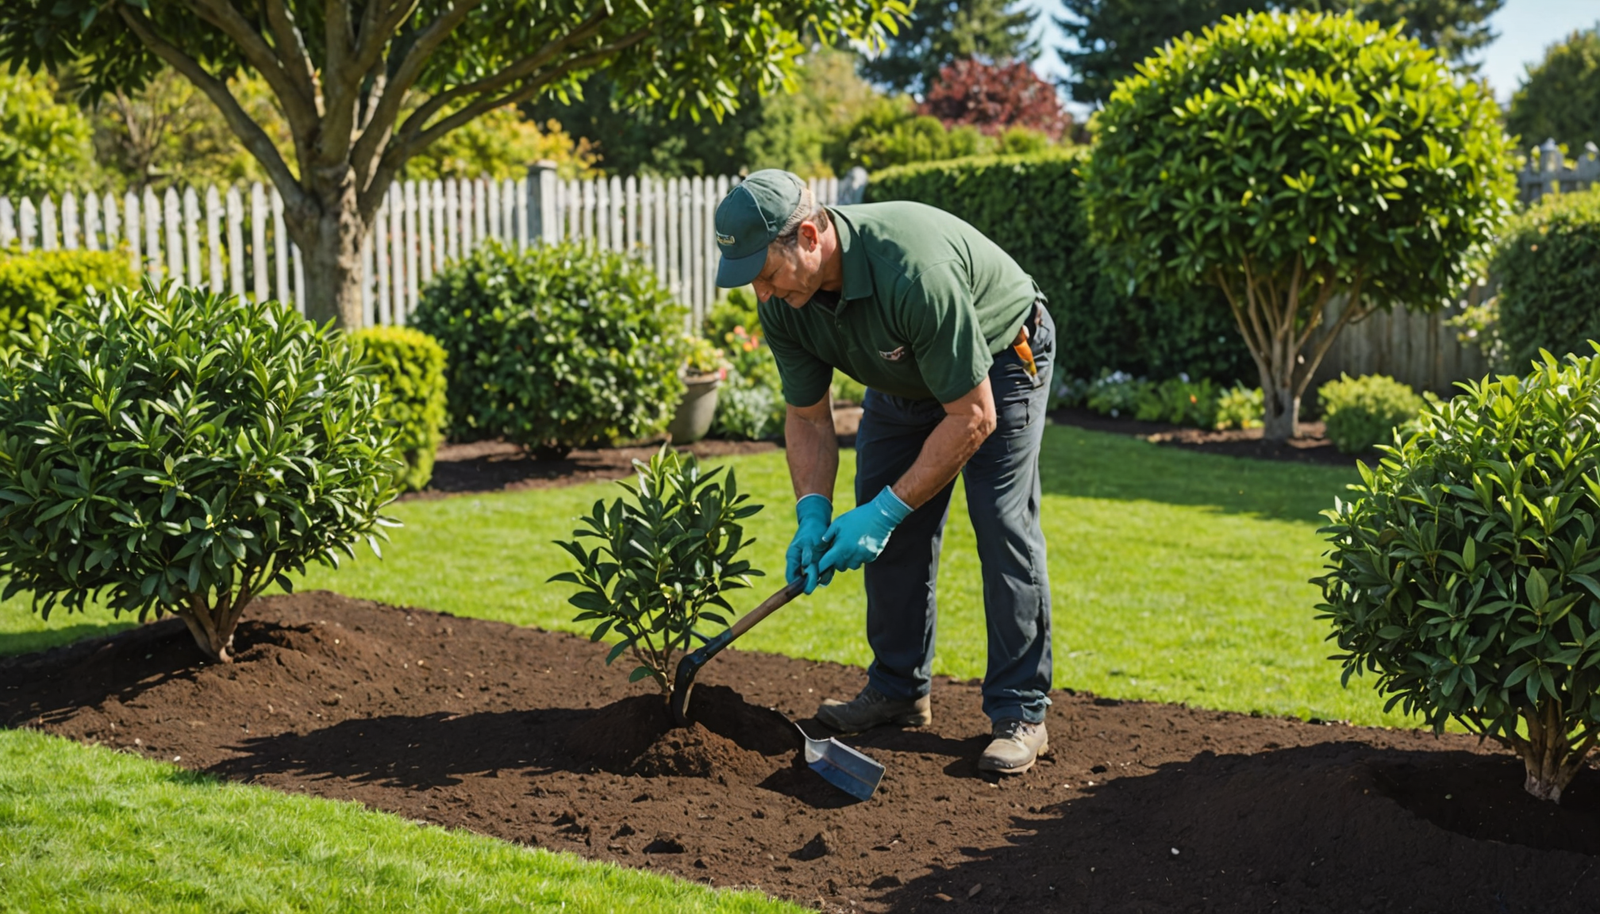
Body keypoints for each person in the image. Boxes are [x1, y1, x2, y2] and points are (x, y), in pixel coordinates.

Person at [712, 169, 1055, 774]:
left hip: (1000, 357)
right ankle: (898, 690)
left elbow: (973, 417)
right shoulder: (785, 304)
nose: (762, 293)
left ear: (811, 237)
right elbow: (809, 419)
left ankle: (1020, 711)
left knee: (1001, 524)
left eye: (766, 274)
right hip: (901, 379)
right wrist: (811, 512)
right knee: (890, 532)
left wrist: (884, 511)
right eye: (751, 282)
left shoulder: (912, 271)